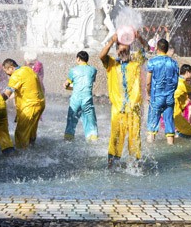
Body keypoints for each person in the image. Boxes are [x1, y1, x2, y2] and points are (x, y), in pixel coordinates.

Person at [99, 31, 144, 167]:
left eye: (125, 48)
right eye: (120, 49)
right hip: (118, 109)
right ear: (117, 50)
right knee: (115, 138)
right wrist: (112, 40)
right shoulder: (111, 64)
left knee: (134, 138)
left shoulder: (136, 60)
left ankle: (135, 167)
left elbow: (146, 48)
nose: (122, 51)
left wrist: (139, 37)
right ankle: (112, 165)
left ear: (130, 49)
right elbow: (101, 55)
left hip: (134, 109)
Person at [1, 57, 46, 150]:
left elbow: (7, 94)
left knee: (20, 133)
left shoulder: (16, 75)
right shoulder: (27, 69)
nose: (6, 74)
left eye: (6, 71)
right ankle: (33, 150)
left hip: (30, 106)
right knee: (31, 131)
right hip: (40, 104)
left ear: (11, 68)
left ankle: (22, 157)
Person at [145, 39, 180, 145]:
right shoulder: (174, 63)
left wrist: (148, 94)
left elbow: (148, 82)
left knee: (152, 124)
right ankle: (171, 145)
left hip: (156, 98)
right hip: (169, 97)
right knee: (169, 123)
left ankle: (150, 148)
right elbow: (176, 81)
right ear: (167, 48)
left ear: (157, 47)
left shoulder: (152, 62)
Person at [64, 50, 98, 142]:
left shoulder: (73, 70)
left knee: (71, 123)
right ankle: (93, 142)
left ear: (78, 59)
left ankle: (68, 141)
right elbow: (87, 83)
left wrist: (66, 86)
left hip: (75, 101)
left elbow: (67, 85)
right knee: (91, 124)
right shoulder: (93, 70)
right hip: (87, 100)